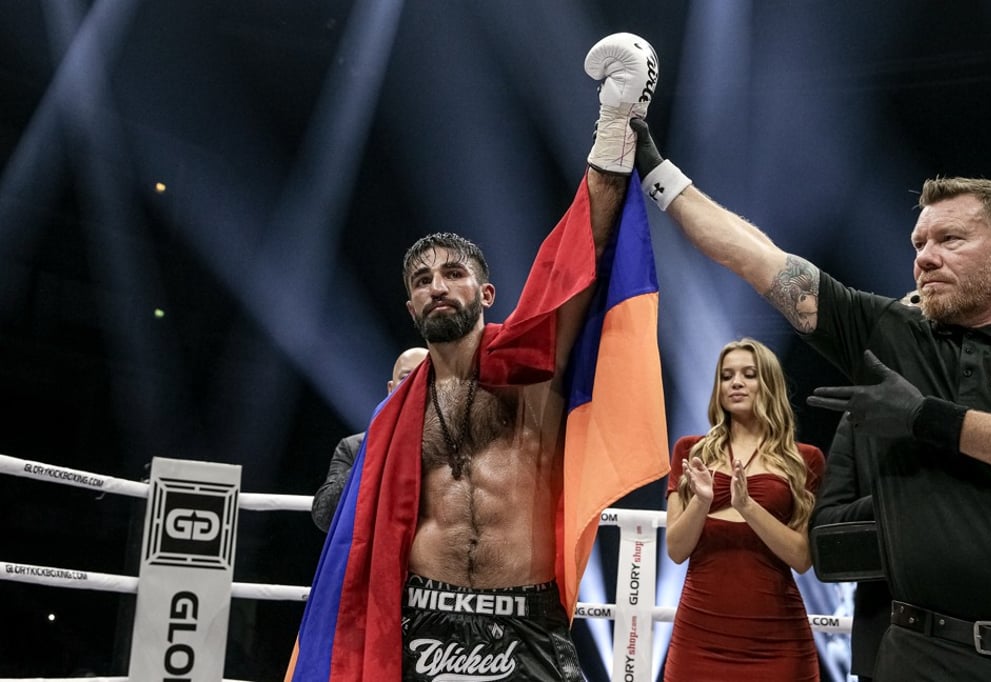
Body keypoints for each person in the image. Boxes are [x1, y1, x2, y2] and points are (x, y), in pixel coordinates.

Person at [287, 33, 668, 682]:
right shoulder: (391, 422)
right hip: (421, 623)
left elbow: (582, 263)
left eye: (453, 273)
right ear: (411, 306)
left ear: (486, 294)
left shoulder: (532, 375)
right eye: (422, 280)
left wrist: (614, 123)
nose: (437, 285)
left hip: (524, 625)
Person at [629, 118, 991, 681]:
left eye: (950, 240)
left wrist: (925, 417)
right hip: (918, 651)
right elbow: (756, 258)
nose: (926, 257)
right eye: (919, 244)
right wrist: (659, 175)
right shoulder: (890, 333)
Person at [664, 337, 824, 681]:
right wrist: (702, 501)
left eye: (749, 374)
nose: (735, 383)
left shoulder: (804, 459)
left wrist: (748, 506)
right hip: (698, 639)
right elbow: (676, 550)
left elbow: (802, 558)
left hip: (778, 643)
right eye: (727, 376)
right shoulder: (690, 451)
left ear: (769, 383)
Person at [809, 413, 891, 682]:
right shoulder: (860, 419)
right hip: (883, 634)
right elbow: (825, 526)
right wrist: (892, 497)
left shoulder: (975, 412)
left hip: (977, 643)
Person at [311, 347, 428, 532]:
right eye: (406, 378)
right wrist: (376, 450)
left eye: (425, 378)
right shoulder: (354, 447)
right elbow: (325, 516)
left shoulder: (461, 447)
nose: (414, 386)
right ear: (391, 389)